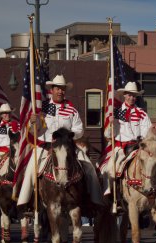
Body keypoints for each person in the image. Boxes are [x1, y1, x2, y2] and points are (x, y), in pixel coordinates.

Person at [16, 74, 103, 210]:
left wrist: (69, 136)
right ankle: (26, 203)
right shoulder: (41, 109)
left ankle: (94, 201)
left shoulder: (71, 109)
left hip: (67, 147)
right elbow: (34, 132)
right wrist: (33, 122)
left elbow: (79, 129)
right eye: (57, 88)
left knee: (89, 167)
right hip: (46, 147)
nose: (60, 91)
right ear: (52, 90)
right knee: (30, 170)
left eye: (62, 89)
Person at [100, 81, 152, 198]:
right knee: (110, 168)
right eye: (129, 95)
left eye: (134, 96)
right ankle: (110, 194)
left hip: (138, 147)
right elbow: (107, 134)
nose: (131, 98)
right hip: (121, 147)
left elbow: (147, 132)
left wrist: (143, 140)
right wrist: (111, 124)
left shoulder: (142, 113)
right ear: (124, 95)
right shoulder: (116, 112)